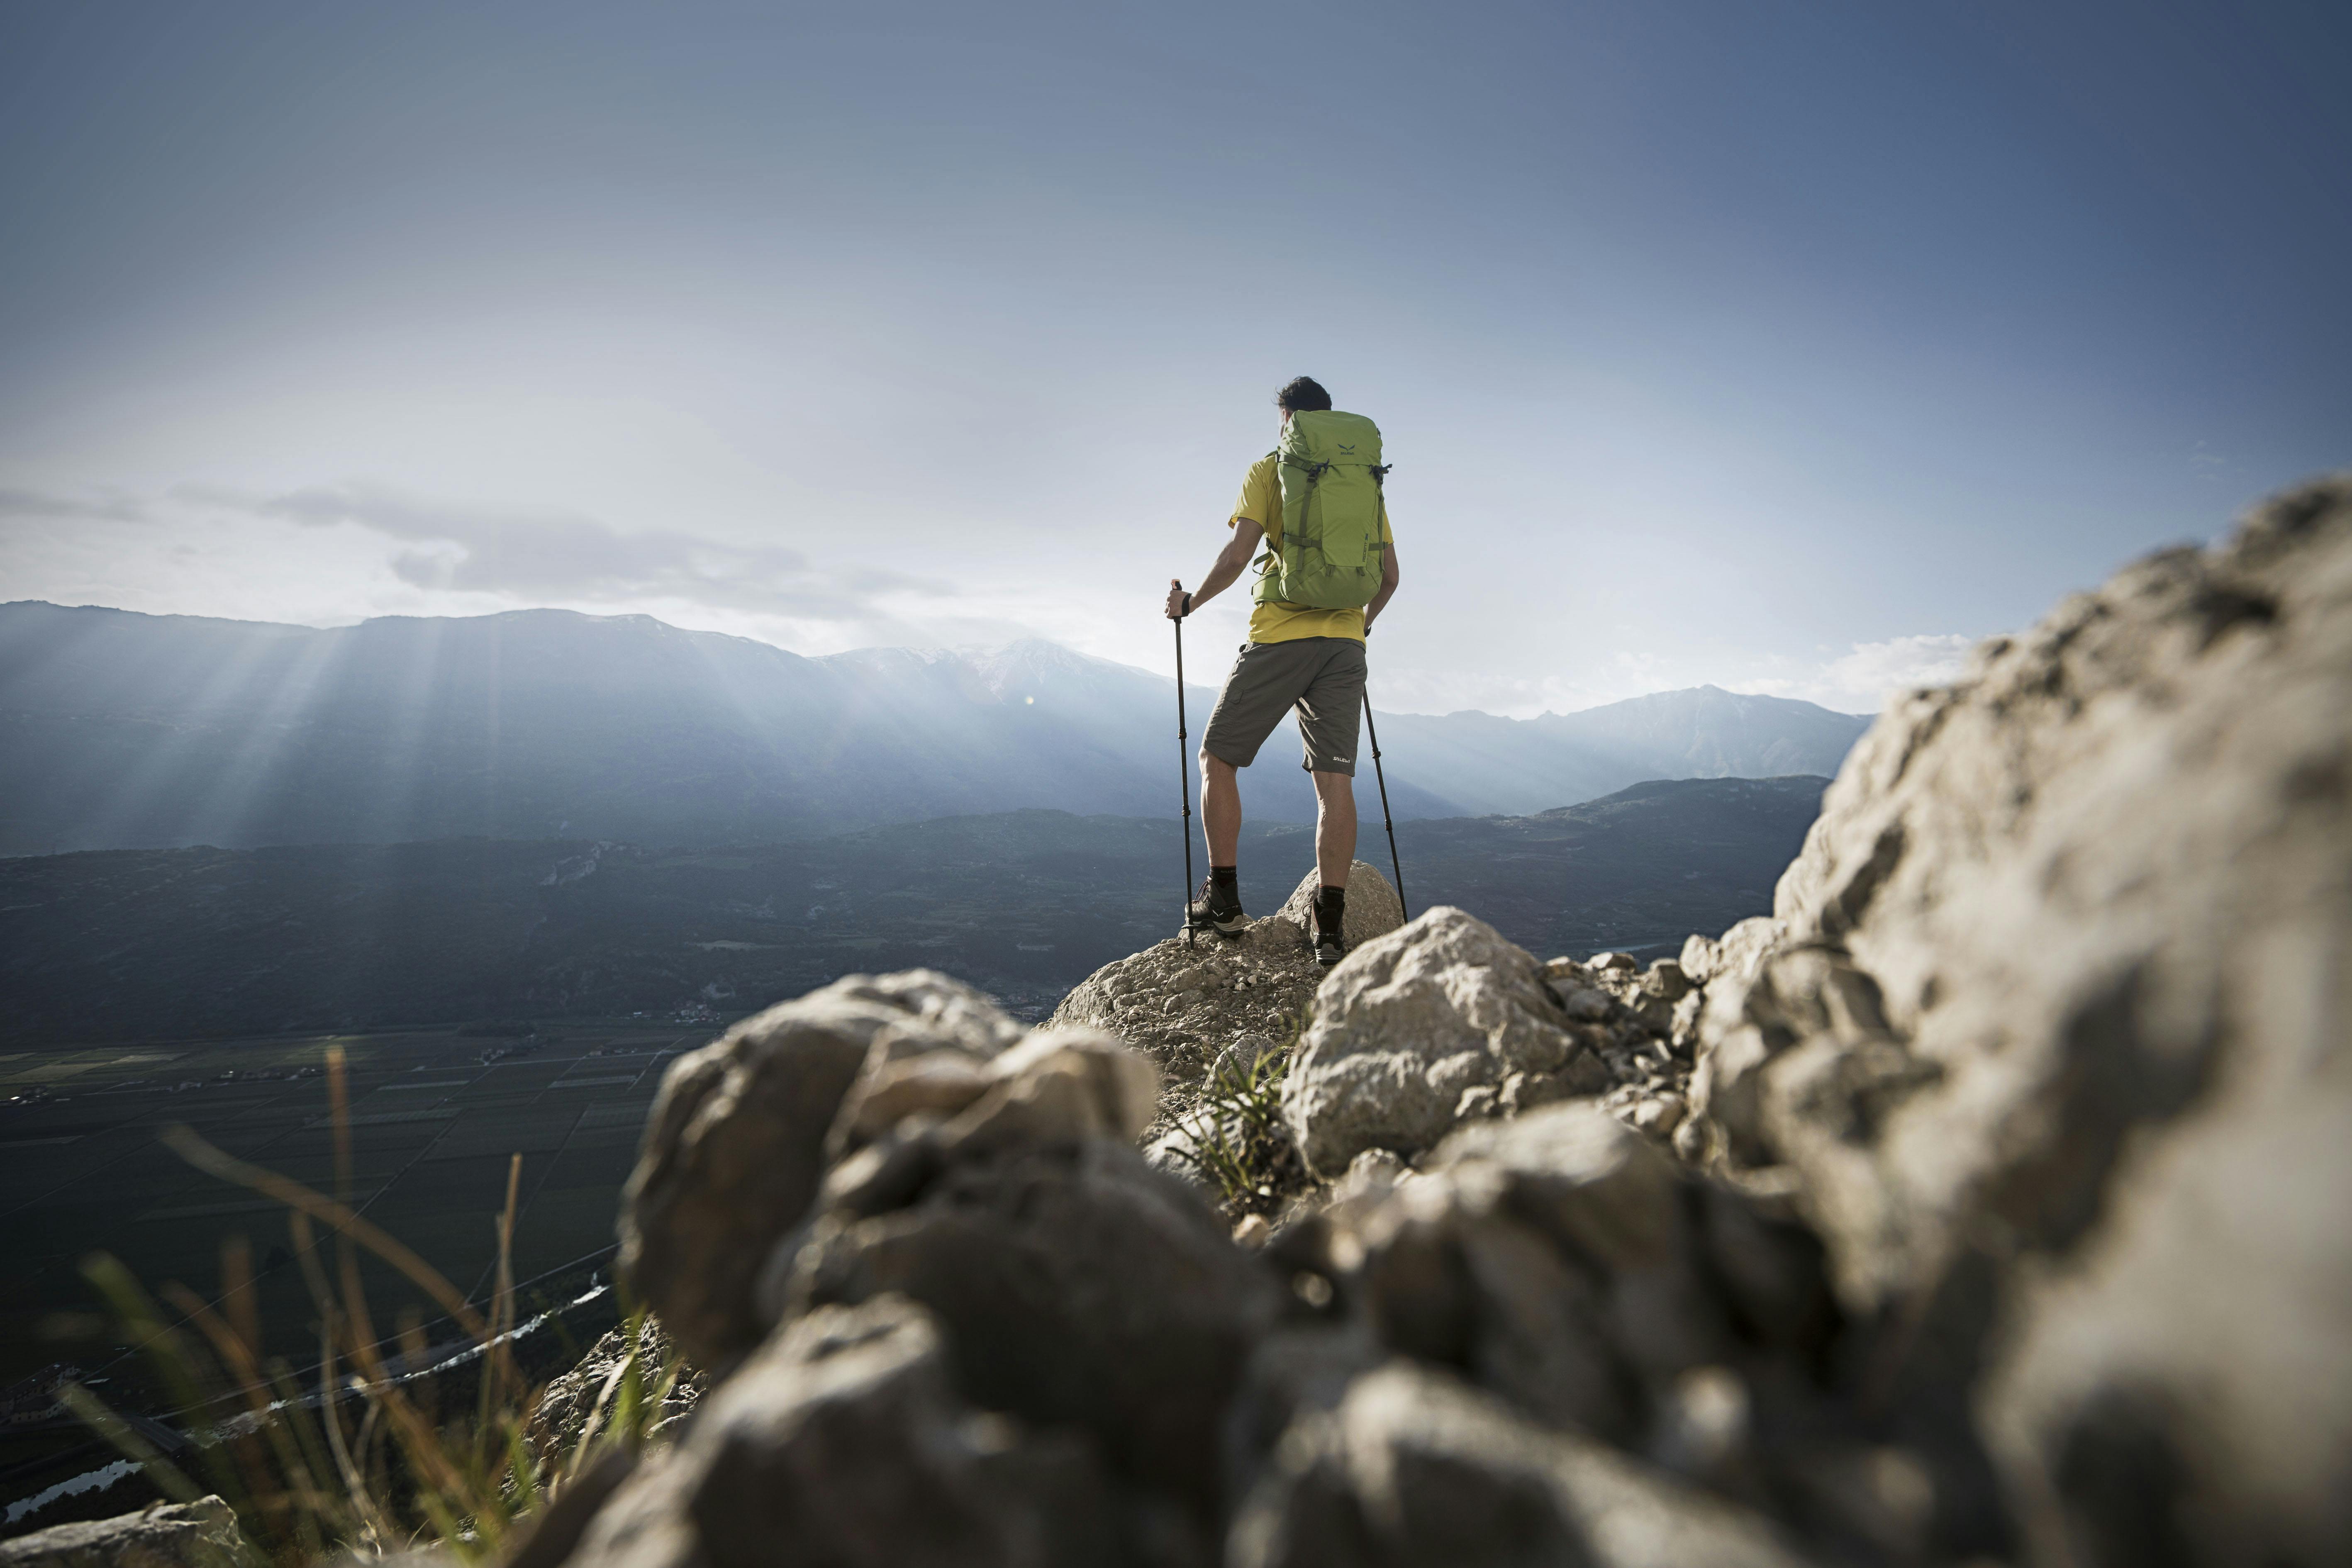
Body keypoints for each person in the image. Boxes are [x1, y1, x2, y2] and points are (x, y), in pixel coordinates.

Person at [1164, 375, 1401, 966]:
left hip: (1280, 637)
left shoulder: (1271, 469)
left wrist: (1189, 604)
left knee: (1217, 758)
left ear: (1289, 420)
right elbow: (1390, 577)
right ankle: (1330, 928)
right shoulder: (1364, 479)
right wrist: (1358, 627)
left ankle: (1221, 902)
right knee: (1334, 785)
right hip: (1346, 645)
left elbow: (1238, 555)